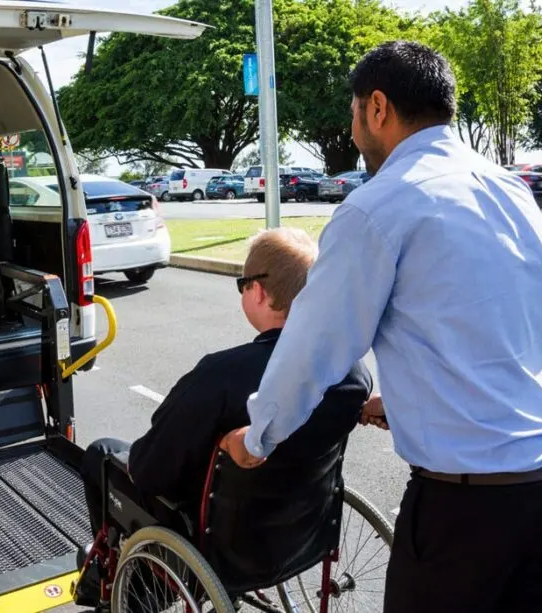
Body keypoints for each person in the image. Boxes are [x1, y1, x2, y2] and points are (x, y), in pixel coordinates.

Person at [219, 40, 542, 613]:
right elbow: (509, 328)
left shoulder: (378, 207)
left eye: (352, 113)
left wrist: (256, 437)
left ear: (377, 107)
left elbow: (312, 349)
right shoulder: (509, 189)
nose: (352, 130)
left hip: (474, 508)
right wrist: (406, 401)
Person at [75, 227, 373, 604]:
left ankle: (124, 585)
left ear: (259, 291)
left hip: (217, 545)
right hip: (301, 533)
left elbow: (149, 471)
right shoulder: (350, 370)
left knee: (102, 453)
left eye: (242, 285)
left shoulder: (220, 377)